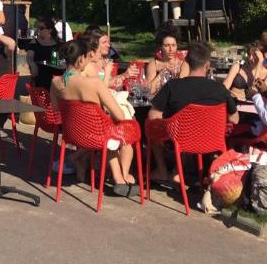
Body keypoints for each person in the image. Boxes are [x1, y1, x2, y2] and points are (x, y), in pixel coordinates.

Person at [53, 38, 137, 196]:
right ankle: (122, 176)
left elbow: (57, 108)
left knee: (108, 132)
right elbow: (119, 116)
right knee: (125, 129)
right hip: (97, 135)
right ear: (81, 59)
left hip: (72, 134)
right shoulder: (93, 83)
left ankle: (118, 177)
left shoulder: (56, 82)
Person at [147, 42, 239, 183]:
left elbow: (154, 116)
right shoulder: (219, 89)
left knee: (150, 125)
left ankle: (162, 170)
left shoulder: (173, 86)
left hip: (181, 140)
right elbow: (235, 119)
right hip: (212, 140)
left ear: (187, 62)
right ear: (207, 65)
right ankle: (181, 171)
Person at [145, 27, 190, 95]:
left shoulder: (183, 63)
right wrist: (163, 73)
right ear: (161, 47)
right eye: (166, 45)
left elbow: (183, 89)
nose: (171, 49)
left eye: (173, 45)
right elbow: (149, 91)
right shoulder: (154, 63)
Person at [27, 18, 65, 90]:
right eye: (37, 28)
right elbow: (29, 57)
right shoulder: (34, 42)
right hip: (41, 74)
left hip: (56, 73)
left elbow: (63, 58)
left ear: (49, 30)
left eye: (41, 28)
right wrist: (32, 64)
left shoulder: (58, 42)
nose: (38, 30)